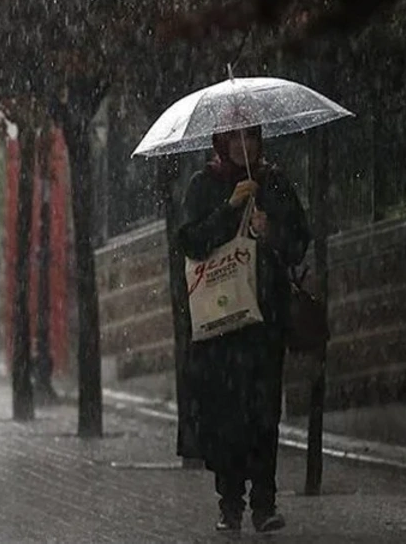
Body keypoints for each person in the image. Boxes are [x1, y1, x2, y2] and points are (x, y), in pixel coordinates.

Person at [178, 125, 310, 534]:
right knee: (226, 415)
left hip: (264, 321)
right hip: (221, 324)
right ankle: (230, 502)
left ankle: (264, 503)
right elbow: (190, 241)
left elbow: (298, 243)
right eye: (233, 138)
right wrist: (228, 210)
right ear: (221, 143)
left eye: (249, 137)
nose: (242, 145)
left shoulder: (273, 182)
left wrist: (271, 231)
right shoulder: (205, 184)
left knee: (264, 412)